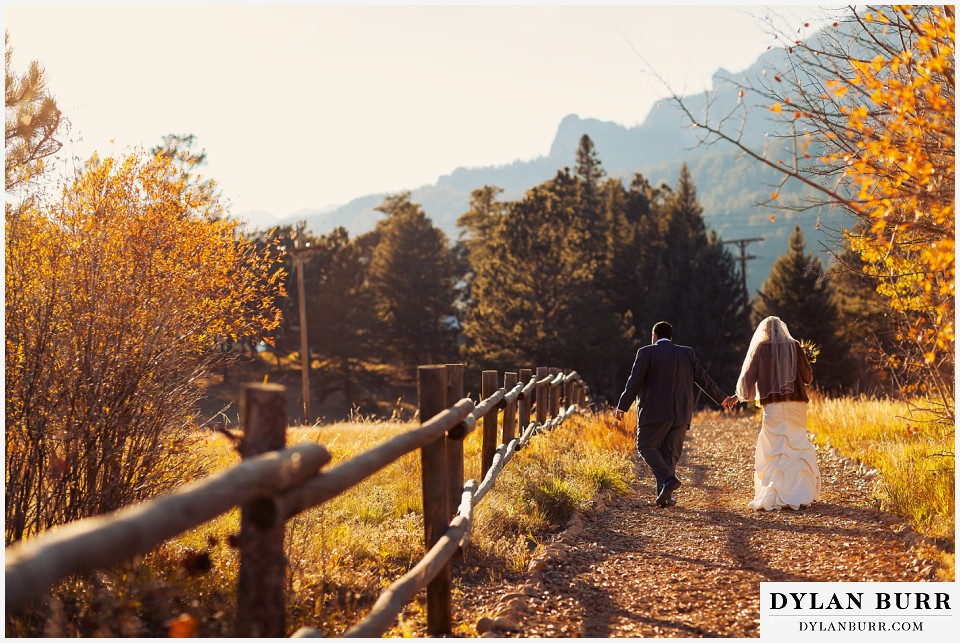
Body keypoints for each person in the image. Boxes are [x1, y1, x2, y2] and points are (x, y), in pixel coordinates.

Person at [615, 321, 737, 507]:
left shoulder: (646, 352)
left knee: (645, 446)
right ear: (671, 338)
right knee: (669, 454)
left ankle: (668, 480)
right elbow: (703, 379)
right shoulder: (686, 353)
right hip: (681, 412)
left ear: (654, 336)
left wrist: (622, 406)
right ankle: (665, 497)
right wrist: (722, 398)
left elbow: (635, 382)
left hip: (653, 413)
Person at [735, 316, 821, 510]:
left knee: (775, 448)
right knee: (797, 446)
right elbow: (807, 377)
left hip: (773, 406)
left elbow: (747, 379)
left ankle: (775, 493)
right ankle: (801, 494)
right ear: (783, 330)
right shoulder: (795, 346)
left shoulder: (761, 349)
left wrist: (740, 396)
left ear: (764, 332)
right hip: (796, 405)